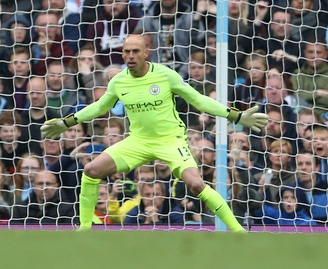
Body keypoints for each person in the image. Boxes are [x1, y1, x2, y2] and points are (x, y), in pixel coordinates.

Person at [40, 34, 269, 232]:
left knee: (196, 184)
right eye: (126, 51)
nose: (130, 56)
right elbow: (100, 107)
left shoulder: (165, 75)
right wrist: (66, 122)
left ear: (146, 53)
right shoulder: (119, 81)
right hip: (137, 142)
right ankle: (84, 229)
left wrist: (236, 116)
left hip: (170, 141)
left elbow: (198, 99)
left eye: (135, 51)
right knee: (91, 170)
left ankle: (238, 232)